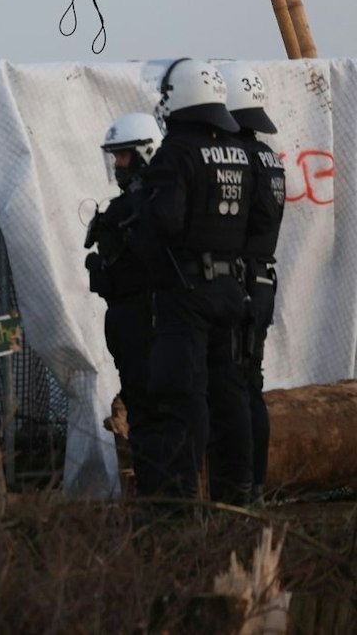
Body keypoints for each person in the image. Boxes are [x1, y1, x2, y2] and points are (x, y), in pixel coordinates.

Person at [131, 60, 273, 506]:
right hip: (232, 289)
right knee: (231, 390)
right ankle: (239, 493)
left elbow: (166, 221)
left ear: (183, 95)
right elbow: (260, 219)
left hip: (187, 293)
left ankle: (181, 501)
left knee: (182, 391)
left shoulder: (178, 150)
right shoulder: (239, 151)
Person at [219, 62, 287, 503]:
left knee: (231, 385)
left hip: (240, 284)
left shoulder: (239, 157)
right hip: (263, 280)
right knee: (251, 384)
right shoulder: (271, 157)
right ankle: (256, 486)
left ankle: (240, 489)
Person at [84, 113, 162, 473]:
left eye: (123, 155)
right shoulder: (123, 208)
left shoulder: (155, 205)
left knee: (152, 407)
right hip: (127, 319)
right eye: (113, 156)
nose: (117, 164)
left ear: (145, 153)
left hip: (148, 319)